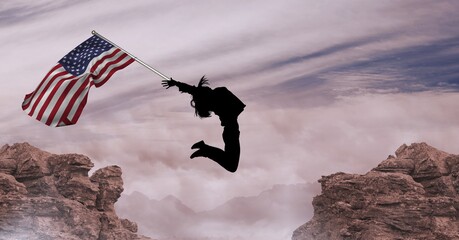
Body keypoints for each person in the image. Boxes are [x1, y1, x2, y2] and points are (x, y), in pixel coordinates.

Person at [162, 76, 245, 173]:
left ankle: (205, 149)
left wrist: (176, 83)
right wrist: (176, 83)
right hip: (231, 131)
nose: (208, 88)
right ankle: (205, 150)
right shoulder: (218, 95)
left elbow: (192, 90)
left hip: (230, 131)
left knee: (231, 164)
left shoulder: (216, 96)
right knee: (231, 165)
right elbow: (193, 90)